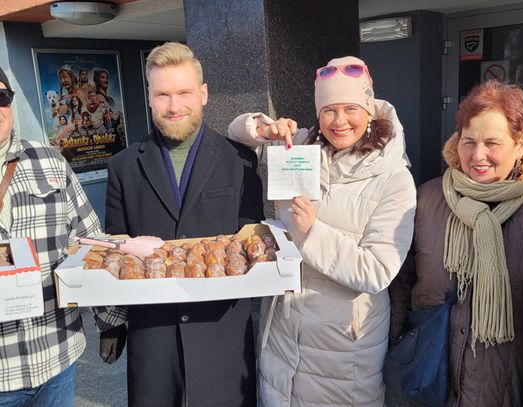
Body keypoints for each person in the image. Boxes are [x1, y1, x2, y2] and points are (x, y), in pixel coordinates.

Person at [227, 56, 416, 406]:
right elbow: (234, 131)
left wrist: (311, 232)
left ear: (369, 109)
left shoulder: (394, 180)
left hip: (344, 350)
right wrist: (264, 129)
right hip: (282, 334)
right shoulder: (300, 147)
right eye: (328, 110)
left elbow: (377, 271)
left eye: (350, 109)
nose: (339, 121)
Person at [101, 42, 264, 406]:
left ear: (203, 94)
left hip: (222, 345)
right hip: (153, 346)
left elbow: (252, 248)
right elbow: (115, 250)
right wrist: (111, 321)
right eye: (162, 94)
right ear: (149, 96)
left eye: (184, 93)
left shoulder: (240, 161)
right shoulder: (123, 167)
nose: (174, 106)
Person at [388, 80, 523, 406]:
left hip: (505, 389)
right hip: (430, 384)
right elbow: (402, 284)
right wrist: (397, 348)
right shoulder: (428, 198)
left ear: (520, 143)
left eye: (492, 143)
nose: (478, 155)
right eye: (468, 141)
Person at [0, 68, 125, 406]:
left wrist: (110, 320)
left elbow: (90, 240)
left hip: (55, 354)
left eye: (1, 97)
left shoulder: (49, 161)